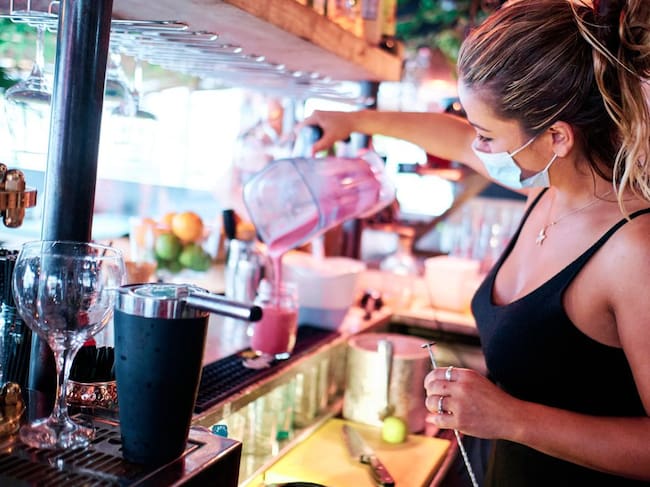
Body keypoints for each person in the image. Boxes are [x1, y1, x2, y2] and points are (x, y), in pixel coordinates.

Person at [303, 0, 650, 484]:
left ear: (556, 137)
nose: (479, 148)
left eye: (487, 135)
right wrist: (355, 121)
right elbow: (454, 139)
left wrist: (512, 418)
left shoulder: (633, 248)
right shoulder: (546, 192)